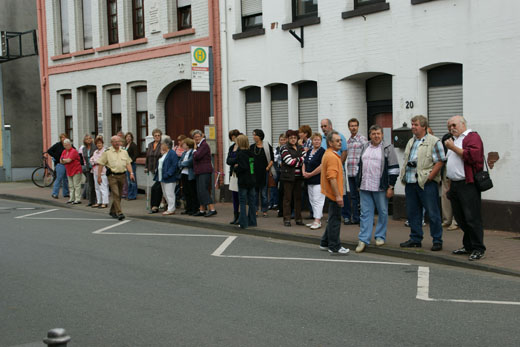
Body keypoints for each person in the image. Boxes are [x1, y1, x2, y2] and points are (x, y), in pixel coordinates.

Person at [399, 115, 446, 251]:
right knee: (413, 212)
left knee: (433, 212)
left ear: (424, 126)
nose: (413, 127)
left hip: (426, 183)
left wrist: (430, 178)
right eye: (412, 124)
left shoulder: (434, 141)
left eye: (416, 125)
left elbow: (440, 161)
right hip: (410, 182)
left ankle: (437, 240)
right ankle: (415, 238)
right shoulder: (410, 141)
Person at [444, 115, 487, 261]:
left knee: (472, 218)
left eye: (454, 125)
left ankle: (478, 248)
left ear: (463, 124)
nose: (451, 128)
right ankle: (468, 245)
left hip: (468, 184)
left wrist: (452, 147)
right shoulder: (454, 140)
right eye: (449, 126)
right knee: (461, 218)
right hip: (455, 184)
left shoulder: (471, 136)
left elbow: (473, 156)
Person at [355, 125, 399, 253]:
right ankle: (363, 239)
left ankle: (380, 236)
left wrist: (391, 186)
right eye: (373, 133)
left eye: (378, 133)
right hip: (365, 186)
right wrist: (359, 183)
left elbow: (394, 169)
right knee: (365, 213)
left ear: (382, 134)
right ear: (370, 135)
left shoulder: (388, 148)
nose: (376, 136)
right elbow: (360, 165)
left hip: (380, 187)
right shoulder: (365, 147)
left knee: (383, 212)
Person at [319, 131, 350, 255]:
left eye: (340, 140)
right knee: (335, 220)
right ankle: (334, 246)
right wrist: (338, 196)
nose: (340, 142)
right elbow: (332, 177)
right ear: (330, 143)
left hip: (331, 192)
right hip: (334, 193)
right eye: (337, 141)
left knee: (332, 218)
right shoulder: (332, 156)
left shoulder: (330, 154)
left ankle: (325, 242)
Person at [320, 118, 350, 225]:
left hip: (337, 169)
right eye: (322, 126)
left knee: (342, 193)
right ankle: (333, 217)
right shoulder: (322, 139)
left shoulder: (339, 136)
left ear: (330, 126)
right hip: (328, 170)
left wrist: (338, 164)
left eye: (325, 126)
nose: (323, 128)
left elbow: (344, 152)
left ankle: (346, 215)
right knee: (332, 196)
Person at [97, 135, 135, 220]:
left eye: (119, 141)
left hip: (122, 175)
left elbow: (128, 163)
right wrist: (99, 176)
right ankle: (119, 212)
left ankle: (112, 211)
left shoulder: (124, 152)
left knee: (119, 195)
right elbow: (101, 164)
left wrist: (131, 173)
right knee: (116, 194)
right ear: (112, 143)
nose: (117, 143)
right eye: (115, 141)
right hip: (112, 176)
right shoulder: (107, 152)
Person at [280, 130, 304, 227]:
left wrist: (296, 160)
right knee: (287, 199)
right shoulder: (284, 148)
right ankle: (287, 219)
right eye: (291, 138)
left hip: (299, 177)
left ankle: (298, 219)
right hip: (288, 177)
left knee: (298, 199)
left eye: (295, 138)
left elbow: (305, 159)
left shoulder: (300, 147)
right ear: (288, 139)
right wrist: (300, 159)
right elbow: (289, 162)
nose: (293, 140)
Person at [345, 118, 367, 225]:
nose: (353, 128)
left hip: (359, 172)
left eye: (355, 126)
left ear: (358, 127)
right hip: (350, 172)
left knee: (362, 196)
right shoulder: (348, 141)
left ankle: (364, 218)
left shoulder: (362, 140)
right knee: (353, 196)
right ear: (349, 127)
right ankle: (356, 218)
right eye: (351, 126)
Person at [302, 133, 326, 230]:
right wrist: (304, 172)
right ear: (312, 141)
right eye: (315, 140)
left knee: (318, 200)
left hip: (318, 180)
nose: (316, 141)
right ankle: (315, 219)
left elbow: (322, 166)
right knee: (312, 200)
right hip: (309, 180)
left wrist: (311, 173)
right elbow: (304, 162)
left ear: (321, 141)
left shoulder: (322, 152)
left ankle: (318, 220)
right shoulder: (309, 151)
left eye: (318, 140)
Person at [192, 130, 217, 217]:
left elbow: (197, 156)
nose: (197, 138)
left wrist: (194, 150)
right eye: (195, 137)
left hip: (204, 171)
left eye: (198, 136)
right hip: (199, 171)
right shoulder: (200, 146)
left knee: (203, 189)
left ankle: (212, 208)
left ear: (202, 136)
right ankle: (202, 209)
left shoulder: (204, 145)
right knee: (199, 191)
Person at [234, 134, 257, 229]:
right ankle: (253, 221)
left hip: (243, 180)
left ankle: (243, 223)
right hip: (251, 179)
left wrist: (236, 168)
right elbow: (251, 167)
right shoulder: (251, 152)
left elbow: (242, 167)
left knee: (242, 202)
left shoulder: (240, 154)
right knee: (252, 201)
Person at [250, 129, 274, 217]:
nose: (253, 137)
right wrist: (251, 171)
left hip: (264, 172)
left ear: (260, 136)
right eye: (253, 135)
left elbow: (272, 158)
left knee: (264, 193)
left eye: (255, 135)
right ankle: (255, 210)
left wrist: (268, 168)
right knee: (255, 193)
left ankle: (264, 210)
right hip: (254, 173)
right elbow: (250, 160)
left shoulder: (267, 146)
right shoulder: (252, 147)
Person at [154, 136, 179, 215]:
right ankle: (170, 207)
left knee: (169, 193)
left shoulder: (172, 153)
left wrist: (168, 174)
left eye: (162, 144)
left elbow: (174, 165)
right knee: (165, 193)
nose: (161, 145)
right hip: (162, 177)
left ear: (167, 145)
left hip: (169, 178)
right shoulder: (165, 153)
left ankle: (171, 209)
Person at [178, 138, 199, 215]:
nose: (182, 145)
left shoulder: (193, 152)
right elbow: (179, 162)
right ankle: (188, 208)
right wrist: (182, 163)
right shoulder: (184, 153)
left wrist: (182, 164)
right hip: (183, 173)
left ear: (187, 145)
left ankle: (194, 208)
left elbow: (190, 162)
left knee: (192, 192)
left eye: (184, 144)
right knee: (186, 192)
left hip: (190, 174)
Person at [145, 129, 163, 213]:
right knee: (155, 186)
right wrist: (146, 167)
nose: (157, 137)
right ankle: (157, 204)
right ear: (153, 136)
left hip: (159, 168)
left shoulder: (162, 145)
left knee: (158, 186)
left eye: (158, 135)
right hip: (151, 167)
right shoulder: (150, 144)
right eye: (155, 135)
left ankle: (160, 203)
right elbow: (147, 157)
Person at [226, 129, 242, 224]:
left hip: (239, 174)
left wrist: (234, 160)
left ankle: (241, 216)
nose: (234, 139)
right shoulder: (231, 147)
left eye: (235, 137)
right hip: (233, 173)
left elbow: (240, 159)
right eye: (232, 138)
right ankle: (235, 215)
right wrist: (234, 160)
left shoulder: (241, 147)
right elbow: (228, 161)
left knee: (240, 196)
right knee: (234, 196)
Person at [47, 133, 70, 199]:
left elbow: (73, 150)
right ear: (60, 139)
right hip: (60, 164)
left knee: (65, 179)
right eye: (62, 137)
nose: (63, 139)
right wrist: (57, 157)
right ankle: (55, 193)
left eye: (64, 137)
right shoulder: (58, 145)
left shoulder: (68, 145)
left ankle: (66, 193)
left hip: (67, 164)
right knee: (59, 178)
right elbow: (49, 151)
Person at [60, 139, 82, 204]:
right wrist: (64, 160)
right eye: (64, 145)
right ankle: (71, 198)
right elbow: (60, 161)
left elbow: (69, 160)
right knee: (71, 185)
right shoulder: (64, 151)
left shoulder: (73, 151)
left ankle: (77, 199)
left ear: (70, 144)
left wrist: (64, 160)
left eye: (67, 145)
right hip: (69, 170)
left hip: (76, 169)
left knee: (76, 185)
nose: (65, 146)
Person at [90, 136, 108, 208]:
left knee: (103, 187)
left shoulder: (105, 151)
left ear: (102, 143)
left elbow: (102, 161)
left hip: (103, 171)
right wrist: (95, 162)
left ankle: (105, 202)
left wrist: (96, 161)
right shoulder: (95, 152)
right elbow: (91, 160)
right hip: (95, 171)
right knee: (97, 187)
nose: (99, 145)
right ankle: (99, 201)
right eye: (97, 143)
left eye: (100, 143)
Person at [273, 133, 287, 217]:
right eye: (281, 140)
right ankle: (278, 205)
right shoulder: (277, 149)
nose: (283, 141)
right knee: (277, 189)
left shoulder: (288, 148)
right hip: (278, 170)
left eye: (284, 139)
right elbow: (274, 158)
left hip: (285, 171)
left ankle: (283, 208)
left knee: (284, 190)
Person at [125, 132, 138, 200]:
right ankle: (129, 194)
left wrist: (130, 161)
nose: (128, 138)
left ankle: (133, 195)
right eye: (127, 137)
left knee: (132, 179)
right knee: (128, 180)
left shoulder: (133, 145)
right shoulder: (126, 145)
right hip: (126, 164)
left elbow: (136, 155)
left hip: (132, 164)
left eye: (129, 136)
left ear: (131, 138)